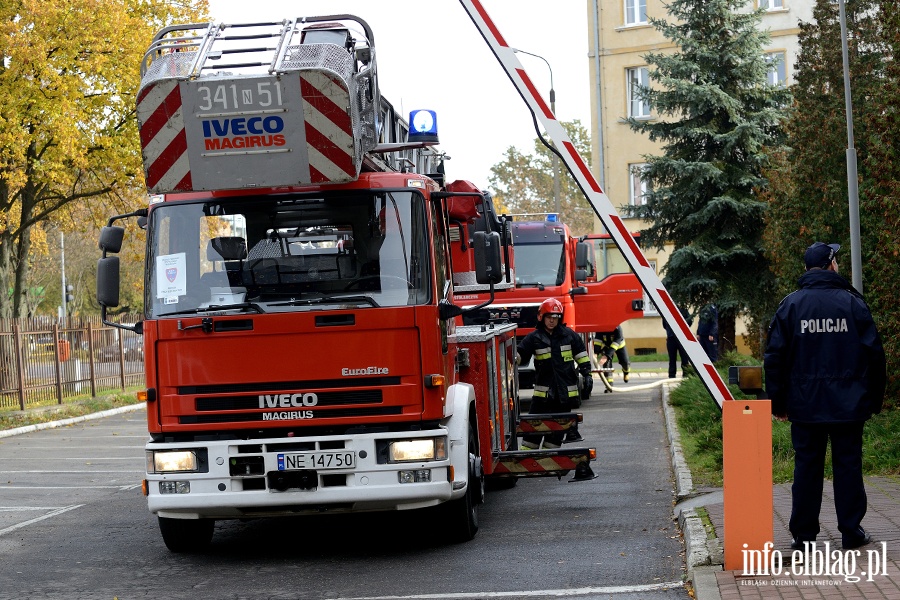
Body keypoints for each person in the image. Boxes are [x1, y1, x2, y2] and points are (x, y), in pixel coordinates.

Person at [764, 242, 886, 551]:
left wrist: (777, 402)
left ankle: (804, 537)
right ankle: (851, 531)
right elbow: (875, 355)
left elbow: (775, 357)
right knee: (848, 466)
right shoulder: (852, 304)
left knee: (807, 468)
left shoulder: (790, 306)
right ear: (830, 264)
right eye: (837, 260)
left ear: (807, 269)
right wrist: (874, 399)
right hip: (849, 404)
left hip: (805, 406)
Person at [517, 298, 592, 448]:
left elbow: (582, 356)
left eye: (555, 318)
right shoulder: (534, 338)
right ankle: (528, 464)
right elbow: (520, 355)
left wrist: (587, 374)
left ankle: (550, 467)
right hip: (542, 397)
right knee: (532, 433)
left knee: (555, 436)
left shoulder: (569, 336)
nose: (552, 321)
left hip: (564, 397)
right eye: (549, 317)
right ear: (541, 317)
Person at [663, 305, 693, 378]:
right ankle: (672, 375)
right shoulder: (666, 311)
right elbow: (664, 325)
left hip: (681, 338)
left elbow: (689, 321)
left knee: (684, 358)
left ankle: (686, 374)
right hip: (671, 337)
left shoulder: (683, 310)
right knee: (672, 358)